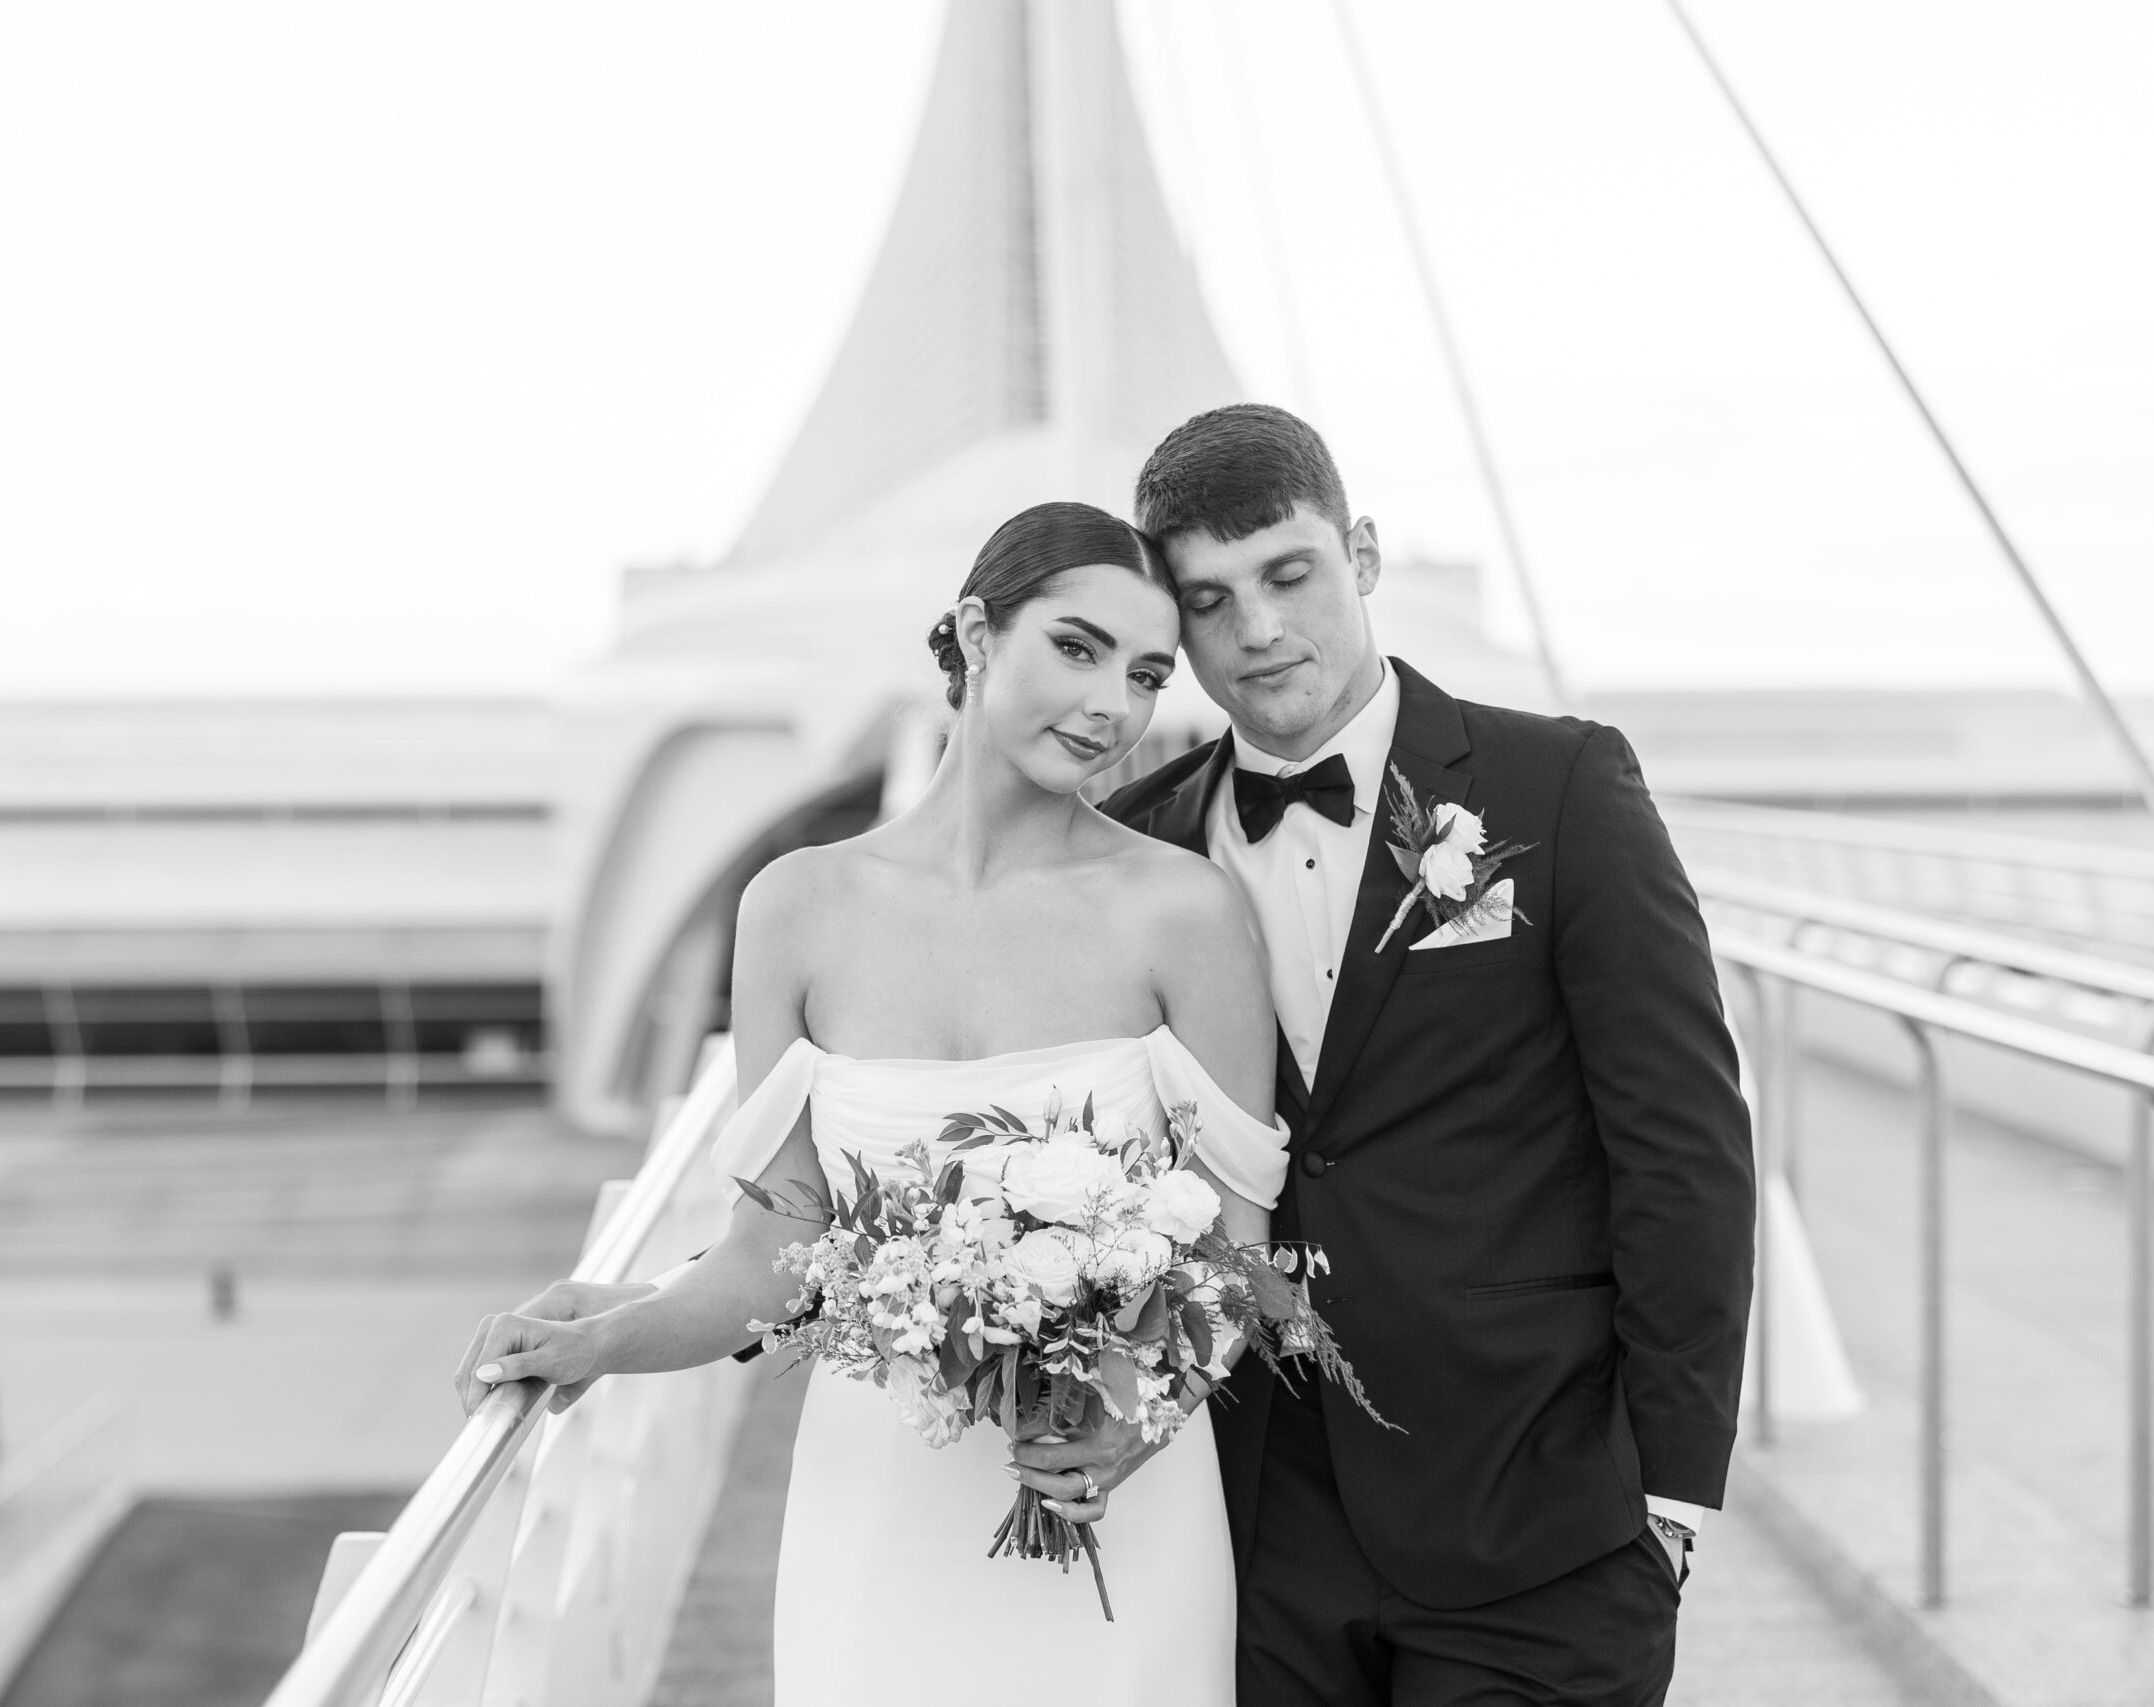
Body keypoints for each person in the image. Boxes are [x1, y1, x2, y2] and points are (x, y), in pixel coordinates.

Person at [456, 501, 1291, 1706]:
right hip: (874, 1510)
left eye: (1148, 672)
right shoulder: (793, 908)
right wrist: (607, 1334)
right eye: (1077, 646)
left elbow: (1236, 1255)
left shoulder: (1185, 913)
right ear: (974, 631)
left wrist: (1136, 1426)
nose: (1114, 703)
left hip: (1120, 1511)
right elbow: (775, 1256)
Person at [1087, 405, 1756, 1707]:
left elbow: (1683, 1141)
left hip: (1537, 1512)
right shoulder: (1130, 848)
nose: (1259, 630)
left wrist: (1672, 1494)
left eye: (1290, 574)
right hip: (1250, 1525)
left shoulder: (1560, 787)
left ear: (1365, 555)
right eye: (1210, 601)